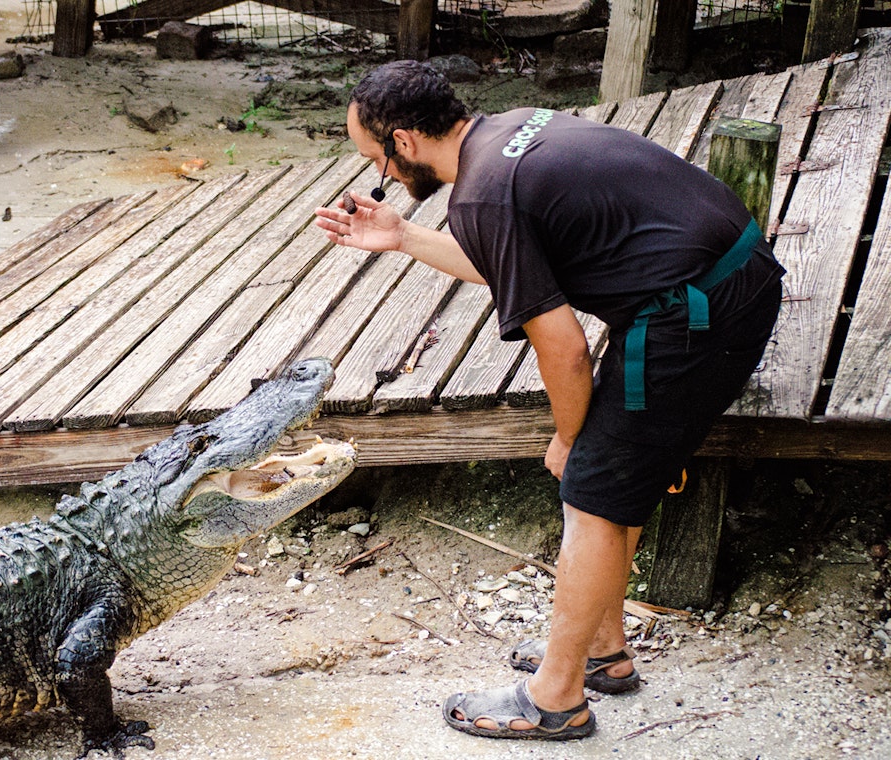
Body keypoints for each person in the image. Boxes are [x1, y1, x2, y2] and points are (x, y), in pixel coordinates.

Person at [313, 61, 784, 741]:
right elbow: (514, 264)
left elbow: (560, 346)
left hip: (694, 313)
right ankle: (603, 654)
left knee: (590, 490)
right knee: (605, 485)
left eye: (377, 160)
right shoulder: (504, 136)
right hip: (715, 282)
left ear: (406, 142)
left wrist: (569, 437)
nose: (382, 175)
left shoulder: (482, 194)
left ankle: (555, 700)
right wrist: (403, 235)